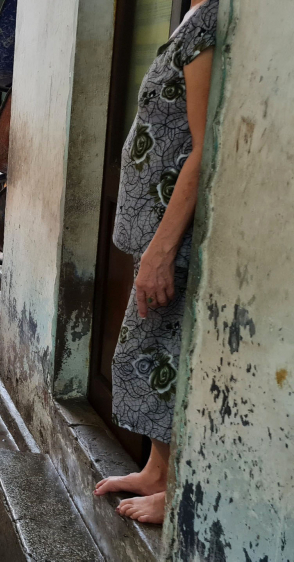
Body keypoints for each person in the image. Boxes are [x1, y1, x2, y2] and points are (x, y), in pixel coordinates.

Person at [94, 0, 217, 524]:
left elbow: (204, 146)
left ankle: (176, 488)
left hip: (175, 235)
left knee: (166, 357)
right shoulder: (194, 15)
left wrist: (163, 248)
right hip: (154, 234)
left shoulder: (211, 22)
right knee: (145, 349)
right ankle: (155, 469)